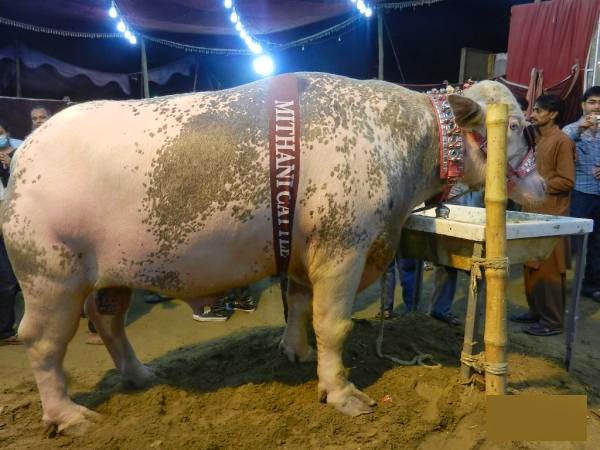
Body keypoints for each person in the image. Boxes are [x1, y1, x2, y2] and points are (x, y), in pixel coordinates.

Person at [511, 95, 575, 336]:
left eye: (537, 110)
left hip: (552, 215)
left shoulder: (562, 141)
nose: (532, 114)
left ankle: (553, 321)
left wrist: (538, 184)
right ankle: (535, 312)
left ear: (553, 114)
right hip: (533, 212)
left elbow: (567, 180)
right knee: (531, 265)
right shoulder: (537, 140)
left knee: (548, 269)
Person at [562, 86, 600, 300]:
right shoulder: (571, 130)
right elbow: (560, 145)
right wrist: (579, 128)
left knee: (598, 243)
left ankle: (592, 285)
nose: (597, 107)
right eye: (592, 102)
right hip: (580, 192)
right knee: (572, 241)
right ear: (583, 105)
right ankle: (557, 281)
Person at [0, 121, 22, 345]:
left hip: (10, 227)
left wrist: (10, 165)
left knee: (9, 281)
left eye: (0, 132)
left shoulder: (18, 154)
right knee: (6, 281)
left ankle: (5, 330)